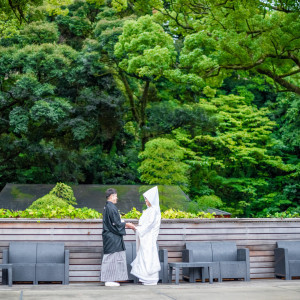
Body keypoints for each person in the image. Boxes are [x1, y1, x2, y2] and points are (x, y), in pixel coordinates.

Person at [101, 188, 136, 287]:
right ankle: (109, 279)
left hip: (111, 236)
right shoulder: (111, 208)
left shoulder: (108, 207)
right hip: (112, 237)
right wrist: (127, 224)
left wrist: (124, 223)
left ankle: (111, 279)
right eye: (116, 196)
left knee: (114, 258)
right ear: (111, 196)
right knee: (112, 257)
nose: (117, 198)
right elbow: (115, 223)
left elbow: (115, 222)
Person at [130, 186, 161, 285]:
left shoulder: (154, 210)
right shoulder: (150, 210)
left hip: (149, 238)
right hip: (145, 237)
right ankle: (145, 278)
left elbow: (149, 224)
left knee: (149, 257)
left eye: (147, 198)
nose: (145, 201)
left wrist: (136, 228)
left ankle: (150, 278)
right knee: (144, 256)